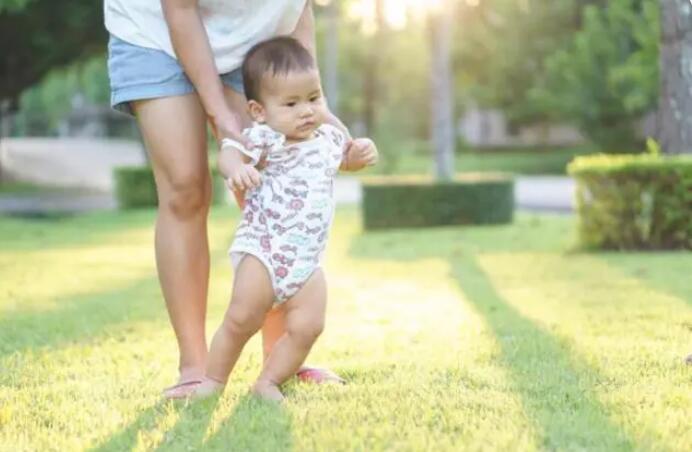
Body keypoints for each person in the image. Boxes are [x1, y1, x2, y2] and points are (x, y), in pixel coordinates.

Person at [104, 0, 375, 398]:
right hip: (156, 30)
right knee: (185, 187)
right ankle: (196, 368)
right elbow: (178, 9)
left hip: (256, 37)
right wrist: (223, 120)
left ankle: (280, 361)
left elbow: (296, 6)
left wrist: (314, 104)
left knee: (276, 176)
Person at [190, 36, 377, 401]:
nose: (306, 110)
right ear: (260, 110)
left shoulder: (326, 139)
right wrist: (237, 171)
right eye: (291, 103)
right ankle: (212, 381)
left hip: (306, 260)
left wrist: (362, 151)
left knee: (309, 325)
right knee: (243, 318)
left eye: (313, 98)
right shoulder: (264, 139)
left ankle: (269, 381)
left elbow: (349, 160)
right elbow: (229, 154)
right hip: (264, 249)